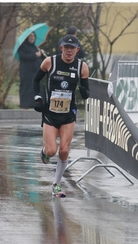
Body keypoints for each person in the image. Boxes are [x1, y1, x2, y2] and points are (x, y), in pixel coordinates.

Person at [32, 35, 90, 197]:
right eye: (66, 48)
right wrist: (38, 98)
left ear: (77, 50)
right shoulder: (50, 62)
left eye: (72, 49)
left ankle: (56, 184)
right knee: (52, 151)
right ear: (61, 48)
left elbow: (86, 91)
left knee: (64, 151)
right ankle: (44, 151)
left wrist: (85, 92)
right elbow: (36, 81)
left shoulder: (82, 67)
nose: (69, 51)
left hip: (68, 115)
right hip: (50, 113)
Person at [18, 32, 45, 108]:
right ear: (27, 38)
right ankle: (25, 104)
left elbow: (39, 58)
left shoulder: (35, 47)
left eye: (33, 36)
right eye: (30, 36)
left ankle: (35, 104)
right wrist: (35, 55)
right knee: (26, 87)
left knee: (35, 88)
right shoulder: (23, 47)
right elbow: (23, 56)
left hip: (36, 72)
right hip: (27, 72)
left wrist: (41, 54)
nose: (32, 37)